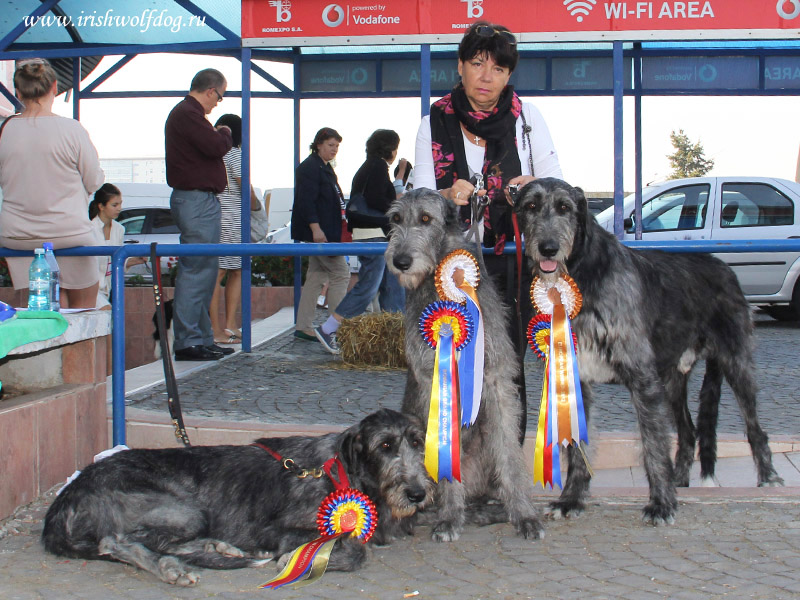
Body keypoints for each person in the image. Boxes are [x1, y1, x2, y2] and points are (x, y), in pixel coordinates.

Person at [414, 21, 563, 441]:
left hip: (510, 259)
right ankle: (453, 456)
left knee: (507, 362)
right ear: (460, 66)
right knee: (449, 362)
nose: (486, 76)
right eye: (477, 63)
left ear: (509, 75)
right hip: (452, 265)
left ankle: (508, 456)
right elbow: (421, 198)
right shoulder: (435, 120)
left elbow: (557, 187)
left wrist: (529, 185)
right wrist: (446, 192)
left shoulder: (527, 118)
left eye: (498, 68)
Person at [0, 59, 104, 308]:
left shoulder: (4, 130)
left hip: (18, 235)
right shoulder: (71, 129)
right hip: (69, 233)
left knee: (44, 311)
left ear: (18, 91)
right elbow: (94, 181)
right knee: (86, 311)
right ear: (54, 87)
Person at [314, 129, 406, 354]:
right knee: (370, 286)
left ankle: (397, 339)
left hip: (373, 234)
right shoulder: (377, 167)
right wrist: (396, 208)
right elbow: (376, 199)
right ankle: (329, 328)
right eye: (395, 147)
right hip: (374, 234)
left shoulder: (370, 166)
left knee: (391, 285)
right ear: (390, 148)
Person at [165, 68, 234, 361]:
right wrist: (225, 131)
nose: (218, 103)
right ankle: (188, 340)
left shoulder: (189, 115)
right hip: (195, 200)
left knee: (205, 272)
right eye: (219, 97)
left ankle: (202, 337)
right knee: (196, 272)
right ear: (210, 91)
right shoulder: (187, 114)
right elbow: (215, 146)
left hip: (200, 200)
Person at [291, 127, 350, 343]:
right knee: (341, 274)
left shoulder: (321, 167)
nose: (334, 150)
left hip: (324, 231)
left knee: (315, 277)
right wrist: (316, 228)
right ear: (319, 145)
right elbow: (307, 200)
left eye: (336, 146)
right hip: (321, 233)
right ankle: (334, 327)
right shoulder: (311, 168)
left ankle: (303, 325)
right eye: (331, 145)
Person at [209, 113, 262, 345]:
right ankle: (220, 328)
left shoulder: (212, 154)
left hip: (216, 213)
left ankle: (225, 326)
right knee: (227, 271)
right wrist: (257, 207)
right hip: (231, 217)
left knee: (230, 271)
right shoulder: (235, 154)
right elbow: (245, 188)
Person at [88, 183, 147, 305]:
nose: (119, 208)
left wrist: (135, 260)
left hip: (109, 289)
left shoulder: (119, 229)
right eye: (114, 205)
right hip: (90, 288)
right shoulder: (89, 229)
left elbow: (116, 260)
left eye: (120, 204)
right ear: (101, 206)